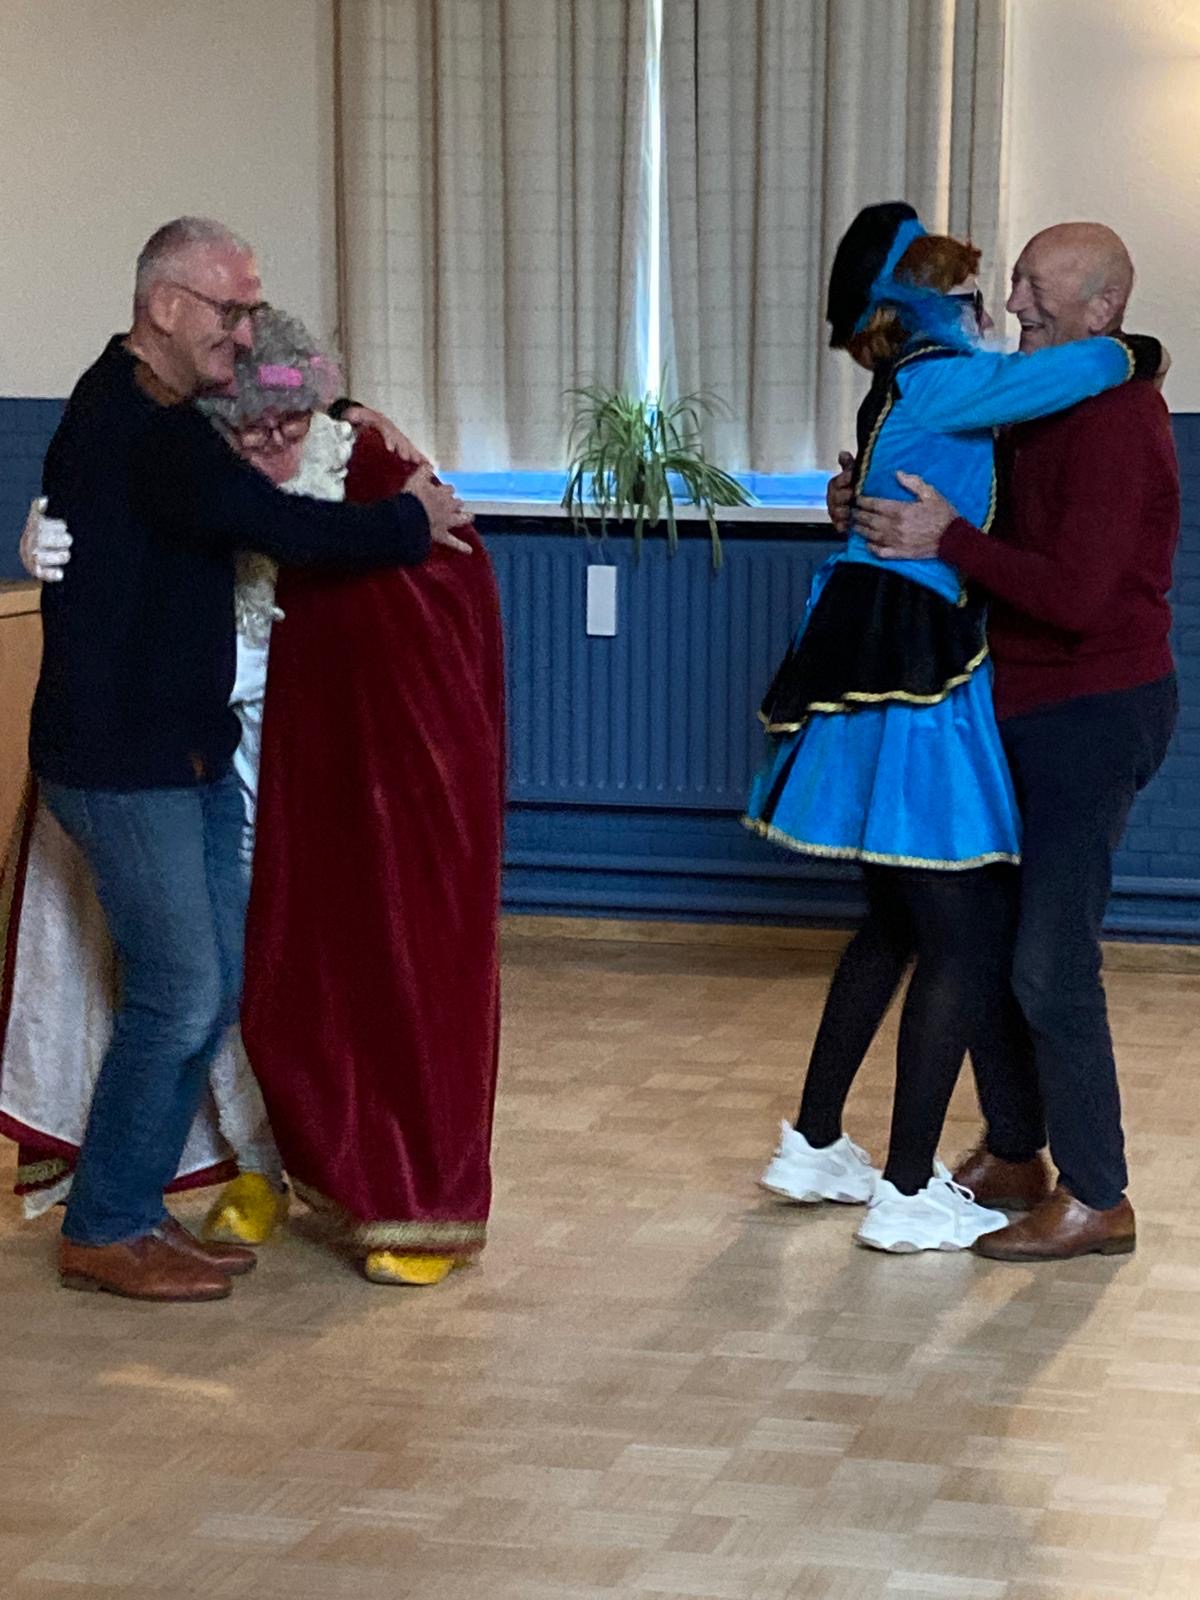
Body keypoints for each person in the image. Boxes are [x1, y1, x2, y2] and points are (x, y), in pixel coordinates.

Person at [8, 307, 505, 1289]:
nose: (273, 444)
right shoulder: (186, 465)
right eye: (251, 428)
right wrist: (51, 527)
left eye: (291, 423)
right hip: (202, 776)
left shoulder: (365, 470)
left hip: (337, 794)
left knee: (315, 978)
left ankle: (386, 1186)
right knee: (224, 988)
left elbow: (442, 594)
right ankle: (254, 1165)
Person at [746, 202, 1162, 1253]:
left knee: (1021, 952)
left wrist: (947, 535)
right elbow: (966, 470)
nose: (1009, 304)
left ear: (1102, 307)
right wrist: (873, 496)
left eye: (1032, 288)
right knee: (964, 935)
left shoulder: (1101, 409)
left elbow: (1072, 593)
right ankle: (1003, 1154)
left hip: (1072, 706)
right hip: (978, 695)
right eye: (998, 283)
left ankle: (1089, 1193)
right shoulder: (996, 388)